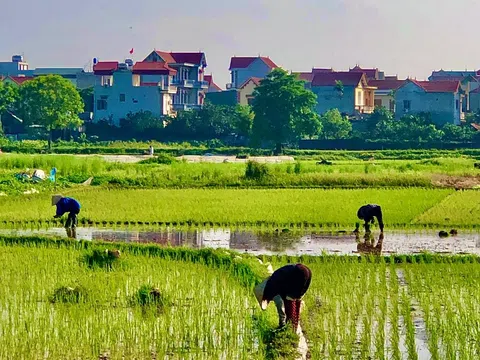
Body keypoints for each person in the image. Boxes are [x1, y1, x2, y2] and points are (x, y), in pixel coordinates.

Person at [254, 264, 312, 331]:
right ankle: (293, 327)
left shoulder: (271, 288)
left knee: (290, 305)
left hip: (299, 273)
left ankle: (290, 329)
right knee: (296, 301)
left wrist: (282, 324)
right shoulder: (273, 280)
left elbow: (280, 305)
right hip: (307, 271)